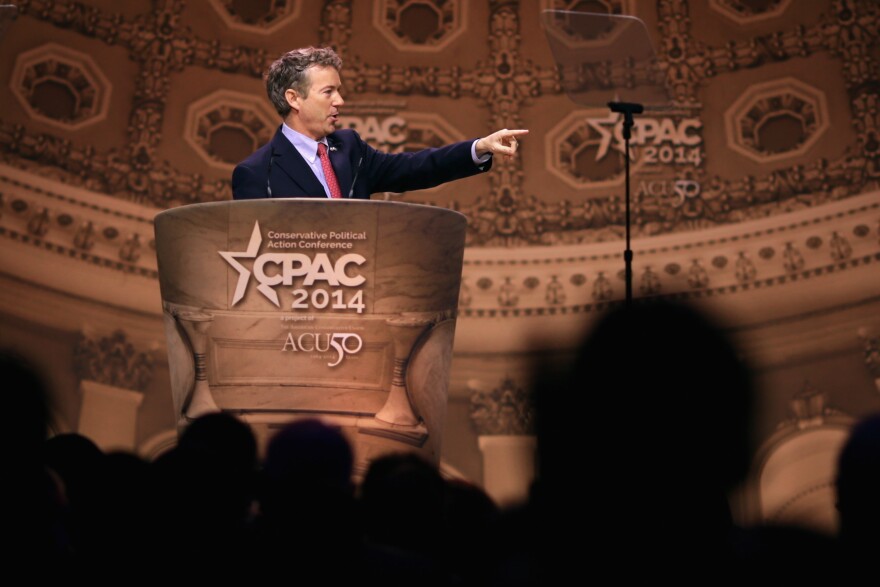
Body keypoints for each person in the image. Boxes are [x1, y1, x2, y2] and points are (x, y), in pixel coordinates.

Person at [232, 46, 527, 200]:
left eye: (339, 90)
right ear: (294, 99)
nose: (340, 101)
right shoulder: (257, 173)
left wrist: (479, 147)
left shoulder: (350, 148)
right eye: (328, 92)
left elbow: (414, 168)